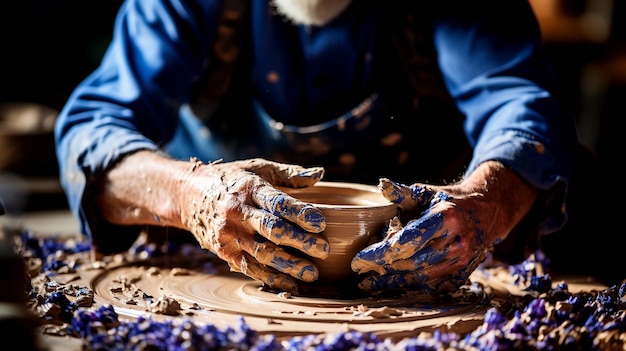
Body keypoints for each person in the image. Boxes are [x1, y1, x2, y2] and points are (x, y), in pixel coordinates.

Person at [54, 0, 606, 295]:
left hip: (439, 265)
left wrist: (484, 205)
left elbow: (523, 105)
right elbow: (92, 127)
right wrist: (189, 194)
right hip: (217, 252)